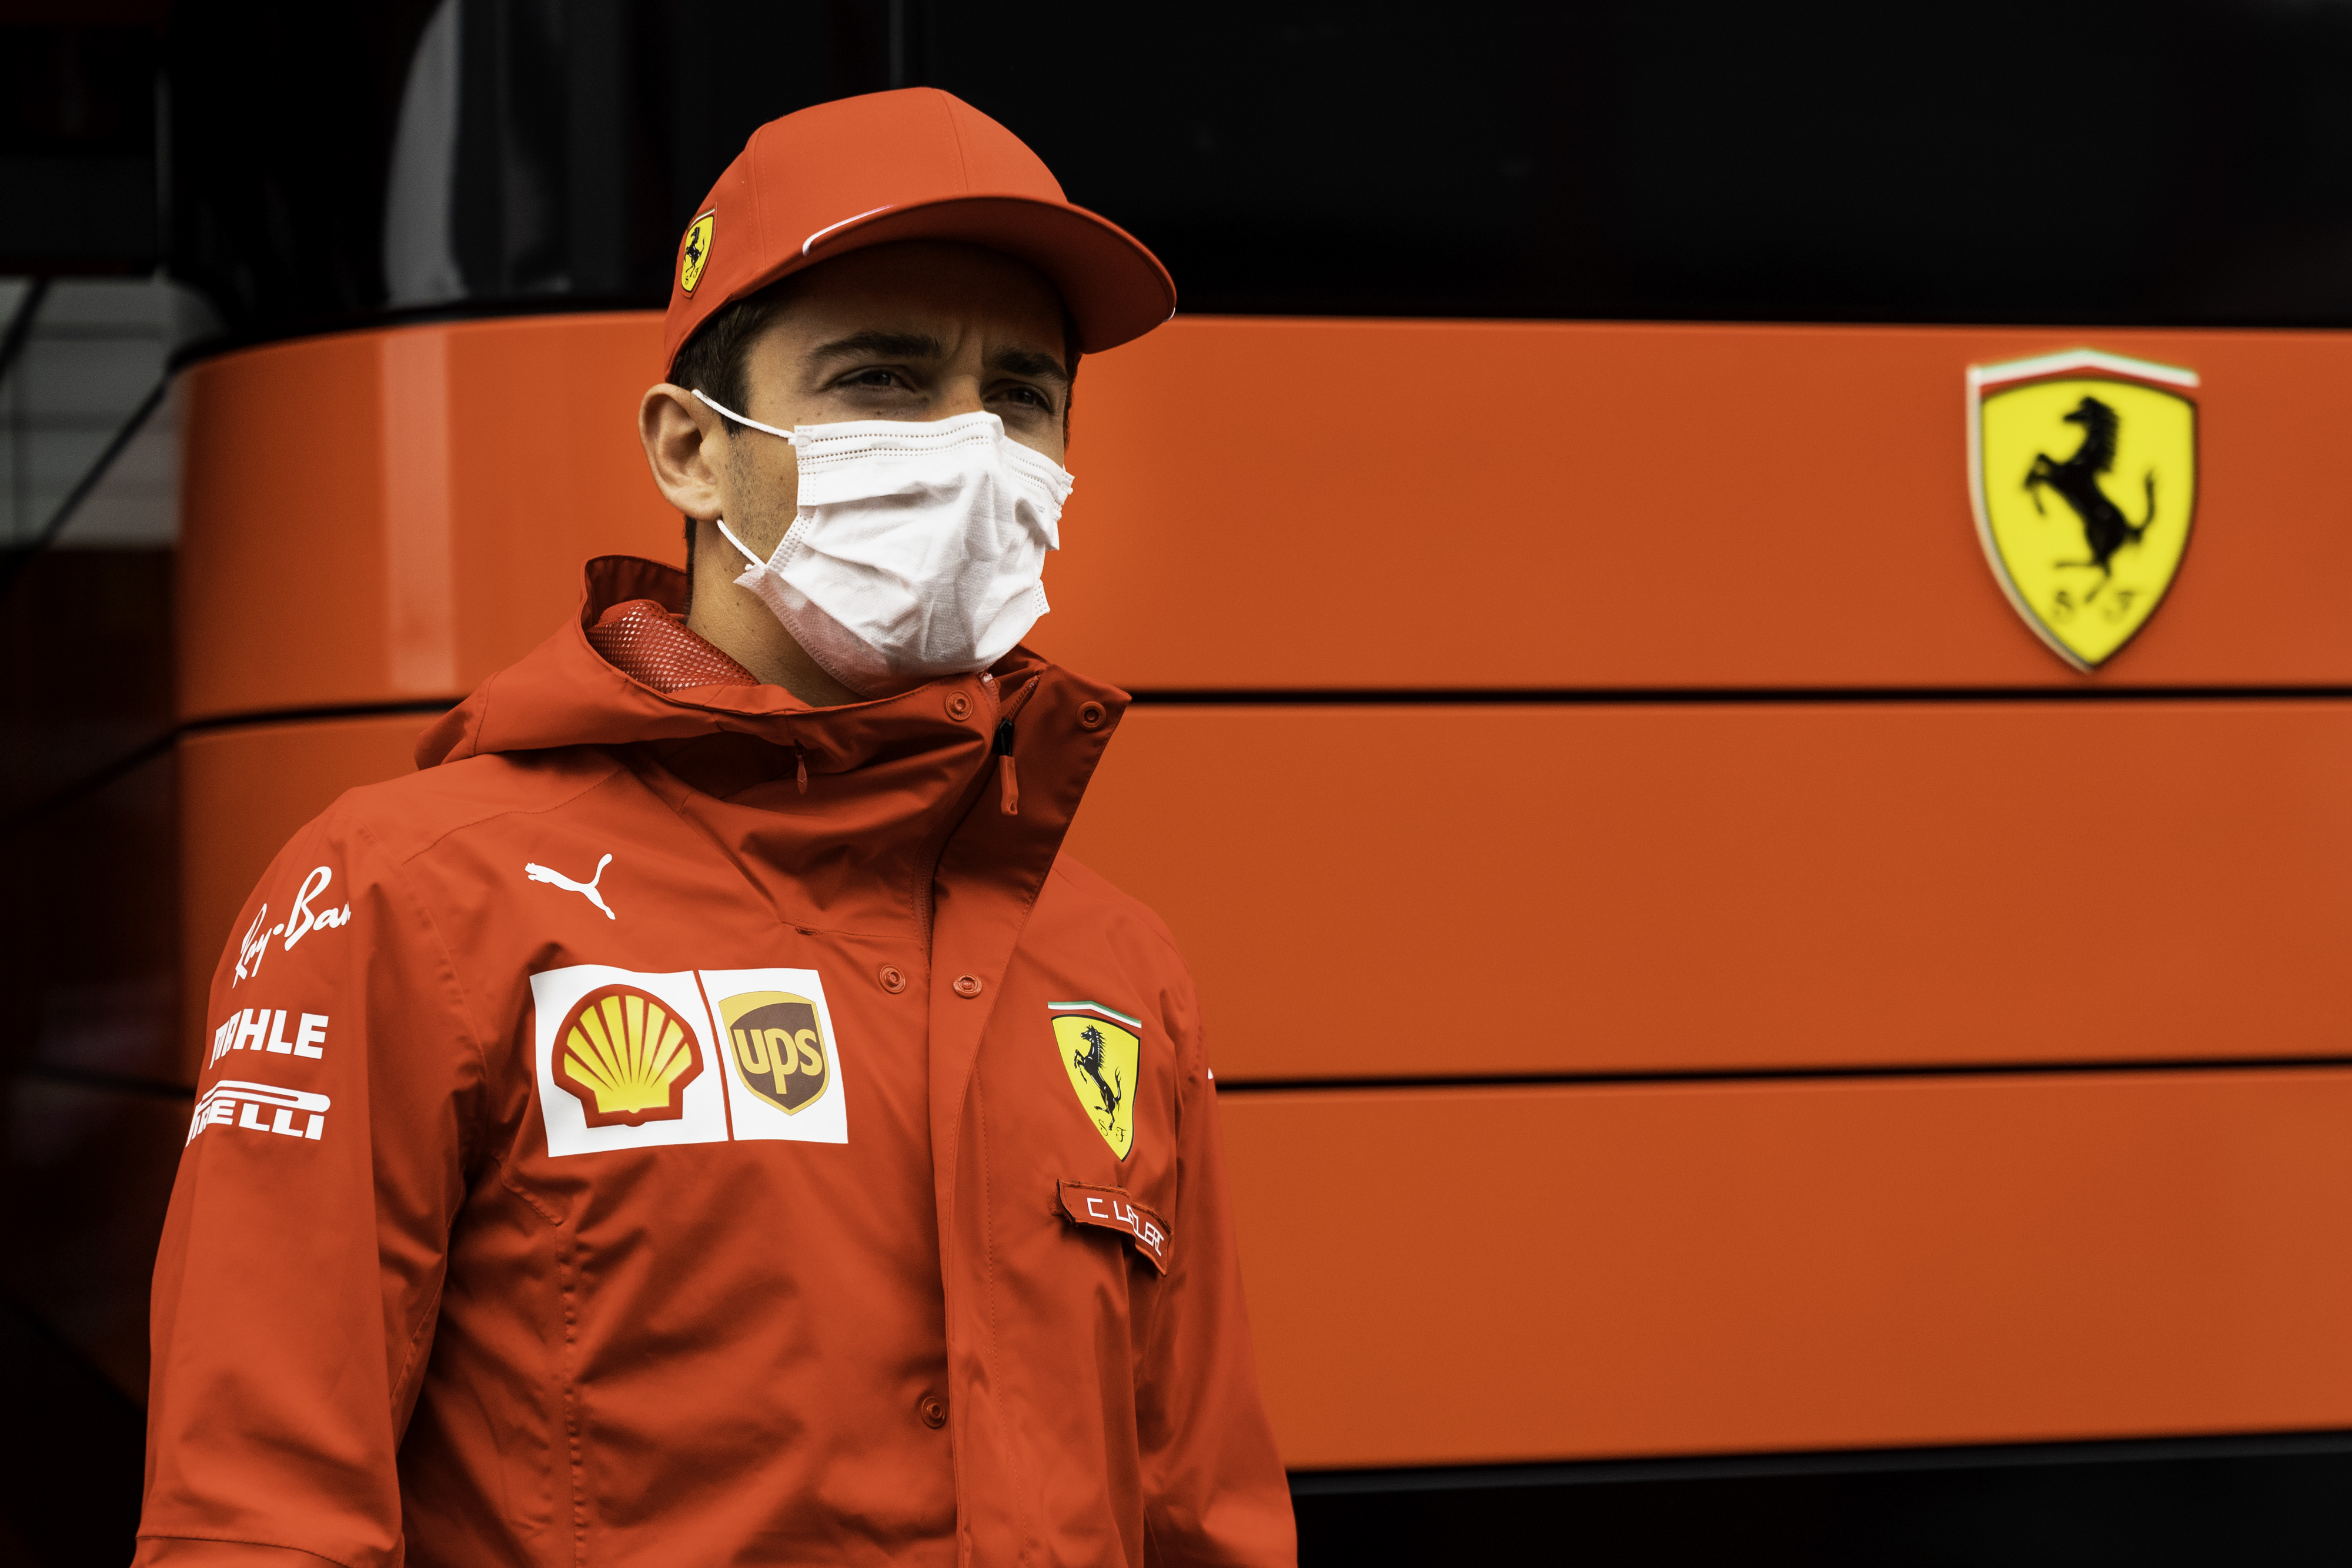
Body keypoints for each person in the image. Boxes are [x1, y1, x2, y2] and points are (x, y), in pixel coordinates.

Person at [136, 89, 1294, 1567]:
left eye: (1019, 396)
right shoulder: (406, 895)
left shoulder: (1114, 963)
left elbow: (1204, 1509)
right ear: (690, 448)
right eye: (882, 378)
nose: (969, 447)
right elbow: (256, 1521)